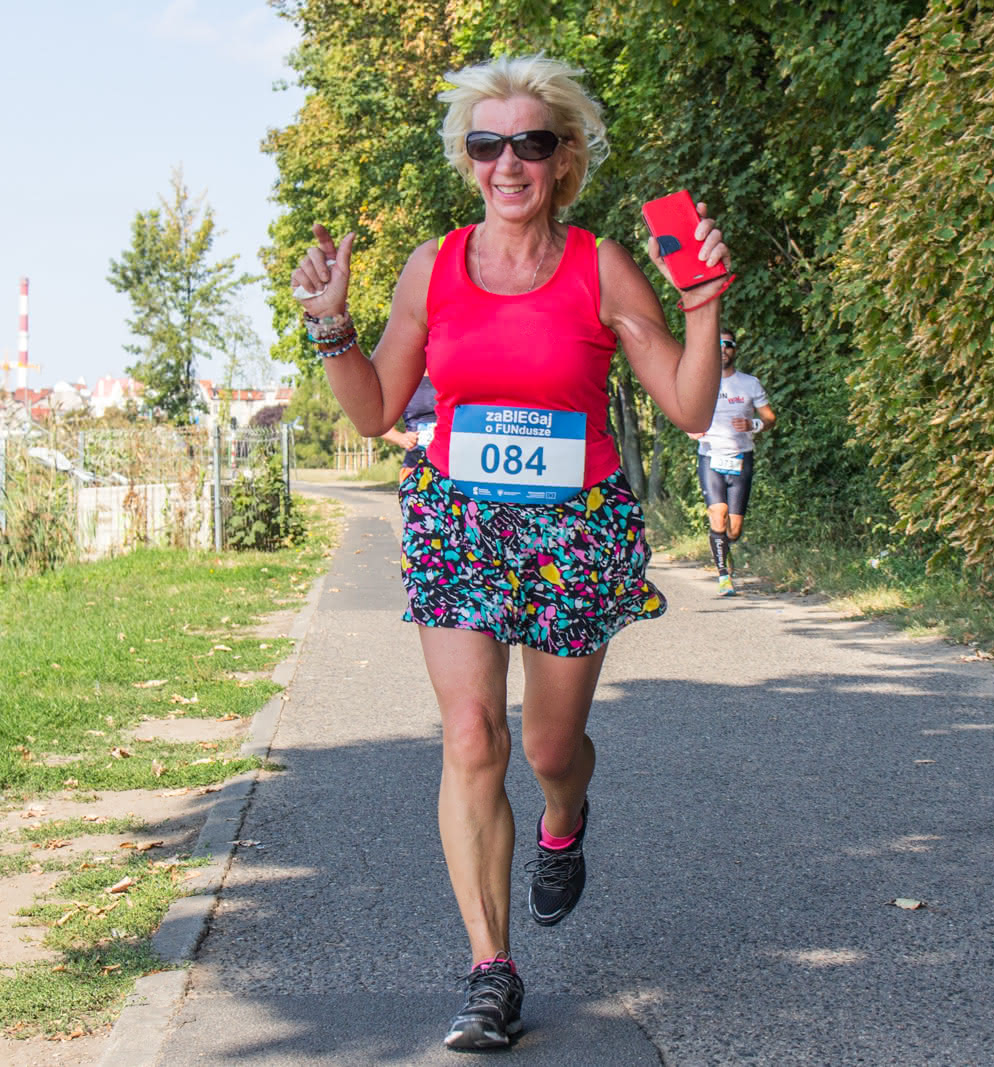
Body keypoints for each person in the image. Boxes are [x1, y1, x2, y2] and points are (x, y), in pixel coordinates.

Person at [288, 54, 733, 1051]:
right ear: (469, 160)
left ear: (564, 158)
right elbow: (373, 410)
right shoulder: (432, 267)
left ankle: (563, 817)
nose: (508, 163)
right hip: (458, 521)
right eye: (487, 144)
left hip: (575, 529)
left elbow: (690, 405)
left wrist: (702, 306)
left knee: (546, 750)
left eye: (531, 142)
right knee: (471, 736)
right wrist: (331, 326)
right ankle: (491, 969)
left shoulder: (602, 267)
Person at [691, 329, 775, 596]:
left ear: (734, 350)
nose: (722, 349)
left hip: (741, 457)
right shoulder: (700, 382)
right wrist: (690, 429)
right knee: (719, 515)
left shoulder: (749, 383)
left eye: (727, 345)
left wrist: (753, 424)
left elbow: (770, 418)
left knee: (734, 530)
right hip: (710, 456)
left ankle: (725, 550)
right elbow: (685, 413)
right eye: (717, 345)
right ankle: (724, 576)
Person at [380, 372, 438, 480]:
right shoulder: (402, 378)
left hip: (454, 466)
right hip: (415, 466)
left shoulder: (454, 373)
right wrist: (399, 438)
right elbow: (379, 423)